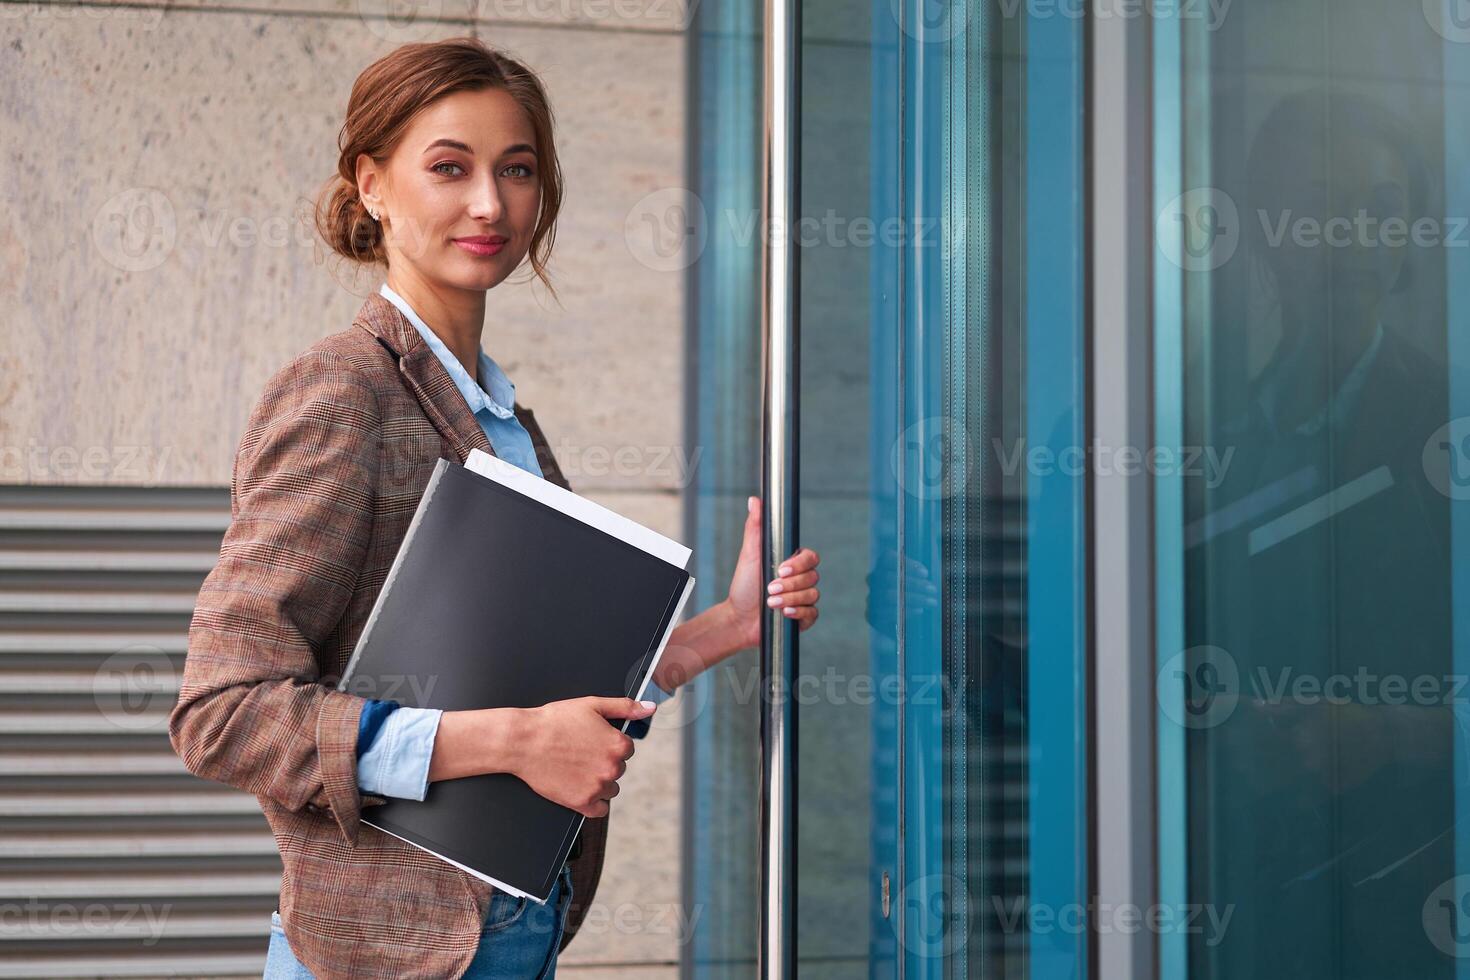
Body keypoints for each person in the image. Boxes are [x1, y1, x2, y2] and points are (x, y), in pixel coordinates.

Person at [168, 36, 821, 979]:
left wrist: (721, 627)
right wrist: (515, 742)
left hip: (511, 937)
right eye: (449, 167)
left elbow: (545, 683)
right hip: (385, 957)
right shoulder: (343, 393)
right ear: (372, 185)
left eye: (517, 170)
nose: (490, 203)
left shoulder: (504, 424)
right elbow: (222, 713)